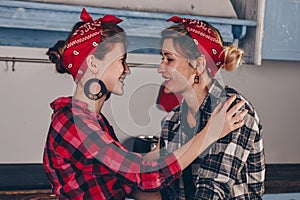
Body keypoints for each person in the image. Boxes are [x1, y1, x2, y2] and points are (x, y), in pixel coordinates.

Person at [43, 9, 247, 200]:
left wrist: (159, 154)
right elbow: (143, 176)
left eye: (169, 58)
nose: (127, 70)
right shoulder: (74, 123)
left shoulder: (92, 121)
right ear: (94, 64)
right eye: (122, 60)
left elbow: (124, 180)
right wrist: (209, 134)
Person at [149, 16, 265, 199]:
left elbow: (211, 192)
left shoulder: (234, 112)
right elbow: (162, 186)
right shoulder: (173, 120)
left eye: (169, 59)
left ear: (199, 65)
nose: (160, 68)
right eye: (162, 58)